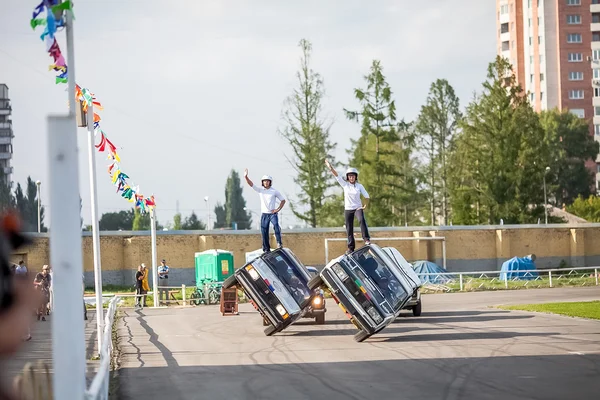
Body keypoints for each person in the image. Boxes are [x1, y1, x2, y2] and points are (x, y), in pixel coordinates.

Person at [325, 159, 371, 254]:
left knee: (361, 220)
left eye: (353, 176)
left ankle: (366, 239)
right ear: (347, 177)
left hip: (357, 208)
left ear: (355, 177)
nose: (351, 178)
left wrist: (365, 206)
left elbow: (367, 196)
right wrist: (330, 167)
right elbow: (336, 175)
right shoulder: (345, 185)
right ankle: (351, 248)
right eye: (350, 176)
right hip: (348, 209)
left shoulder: (359, 186)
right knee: (349, 228)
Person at [244, 168, 286, 253]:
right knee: (264, 231)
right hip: (264, 215)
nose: (266, 182)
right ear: (262, 182)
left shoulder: (274, 191)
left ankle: (279, 242)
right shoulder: (260, 190)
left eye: (267, 181)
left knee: (276, 226)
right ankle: (266, 249)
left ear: (270, 182)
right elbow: (251, 184)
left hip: (272, 214)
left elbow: (283, 200)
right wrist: (246, 177)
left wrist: (277, 209)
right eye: (264, 181)